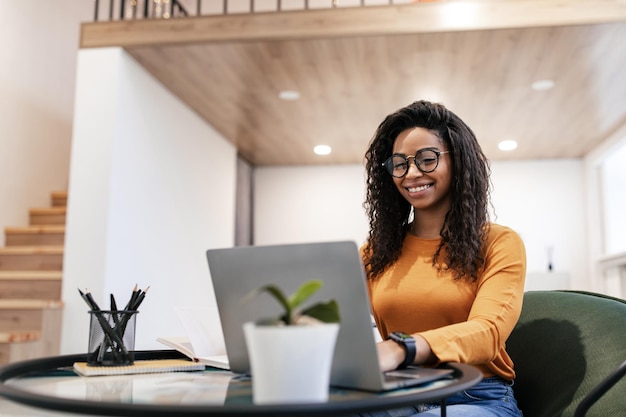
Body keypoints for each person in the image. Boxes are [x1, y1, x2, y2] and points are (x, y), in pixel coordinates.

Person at [360, 100, 526, 417]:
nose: (410, 173)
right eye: (399, 163)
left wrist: (401, 348)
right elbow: (342, 328)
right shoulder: (374, 253)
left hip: (476, 396)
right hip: (399, 392)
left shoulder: (499, 243)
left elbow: (488, 332)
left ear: (459, 162)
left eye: (427, 159)